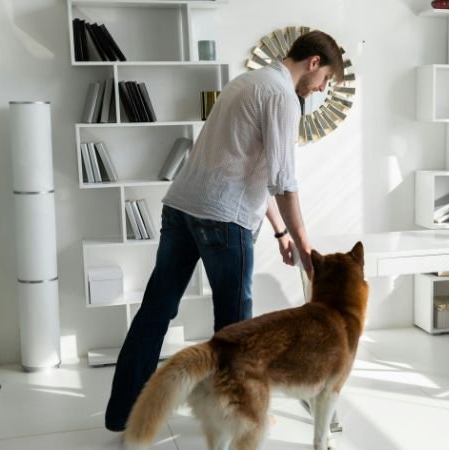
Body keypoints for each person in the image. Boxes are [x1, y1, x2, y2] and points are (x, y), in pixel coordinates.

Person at [105, 30, 345, 432]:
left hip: (182, 207)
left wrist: (280, 233)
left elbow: (251, 168)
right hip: (222, 219)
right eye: (325, 81)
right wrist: (306, 249)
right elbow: (284, 181)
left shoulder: (246, 82)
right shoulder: (283, 97)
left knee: (156, 310)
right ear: (314, 63)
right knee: (237, 330)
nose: (321, 89)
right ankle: (235, 416)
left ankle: (124, 414)